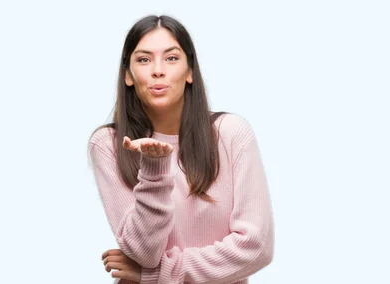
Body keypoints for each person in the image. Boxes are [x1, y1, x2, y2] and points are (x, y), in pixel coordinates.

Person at [87, 15, 274, 284]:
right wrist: (154, 168)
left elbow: (257, 247)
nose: (158, 70)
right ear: (128, 75)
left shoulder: (231, 132)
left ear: (190, 72)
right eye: (143, 59)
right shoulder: (108, 144)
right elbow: (144, 253)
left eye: (171, 58)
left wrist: (157, 274)